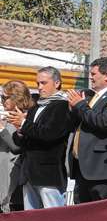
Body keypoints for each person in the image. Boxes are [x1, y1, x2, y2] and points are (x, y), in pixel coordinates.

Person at [12, 67, 73, 209]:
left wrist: (23, 124)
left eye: (44, 83)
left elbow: (49, 134)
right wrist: (20, 131)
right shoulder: (35, 107)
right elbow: (24, 139)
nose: (39, 87)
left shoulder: (63, 106)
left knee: (54, 220)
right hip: (29, 172)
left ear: (57, 83)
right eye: (38, 83)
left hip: (48, 174)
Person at [67, 57, 107, 203]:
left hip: (102, 171)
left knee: (104, 217)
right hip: (83, 168)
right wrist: (73, 109)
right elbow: (82, 122)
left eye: (94, 74)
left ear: (106, 76)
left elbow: (104, 122)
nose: (90, 77)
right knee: (84, 217)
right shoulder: (92, 98)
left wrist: (80, 105)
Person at [0, 81, 31, 212]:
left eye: (4, 97)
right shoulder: (7, 116)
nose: (1, 101)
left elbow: (17, 148)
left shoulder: (22, 118)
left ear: (15, 97)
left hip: (12, 177)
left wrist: (2, 129)